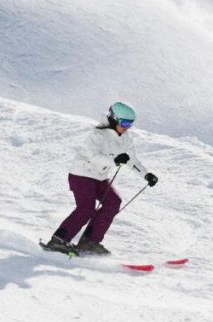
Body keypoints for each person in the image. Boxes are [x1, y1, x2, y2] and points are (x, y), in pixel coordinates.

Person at [43, 102, 156, 257]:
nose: (127, 127)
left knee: (113, 202)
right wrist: (115, 161)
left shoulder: (126, 139)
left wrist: (146, 175)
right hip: (82, 174)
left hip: (100, 177)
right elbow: (94, 157)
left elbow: (132, 160)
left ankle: (90, 241)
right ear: (114, 119)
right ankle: (58, 240)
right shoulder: (97, 135)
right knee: (86, 208)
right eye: (124, 123)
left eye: (130, 124)